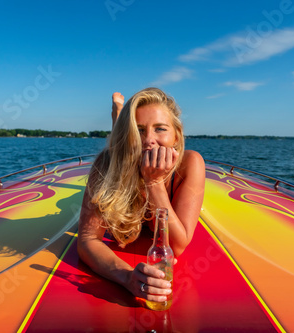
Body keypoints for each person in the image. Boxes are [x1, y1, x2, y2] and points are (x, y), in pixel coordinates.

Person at [78, 87, 205, 303]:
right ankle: (119, 114)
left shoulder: (190, 164)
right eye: (138, 130)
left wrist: (153, 182)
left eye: (160, 129)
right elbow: (88, 239)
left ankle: (120, 113)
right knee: (117, 145)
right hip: (121, 156)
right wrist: (126, 276)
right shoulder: (107, 163)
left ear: (176, 136)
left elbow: (176, 247)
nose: (148, 140)